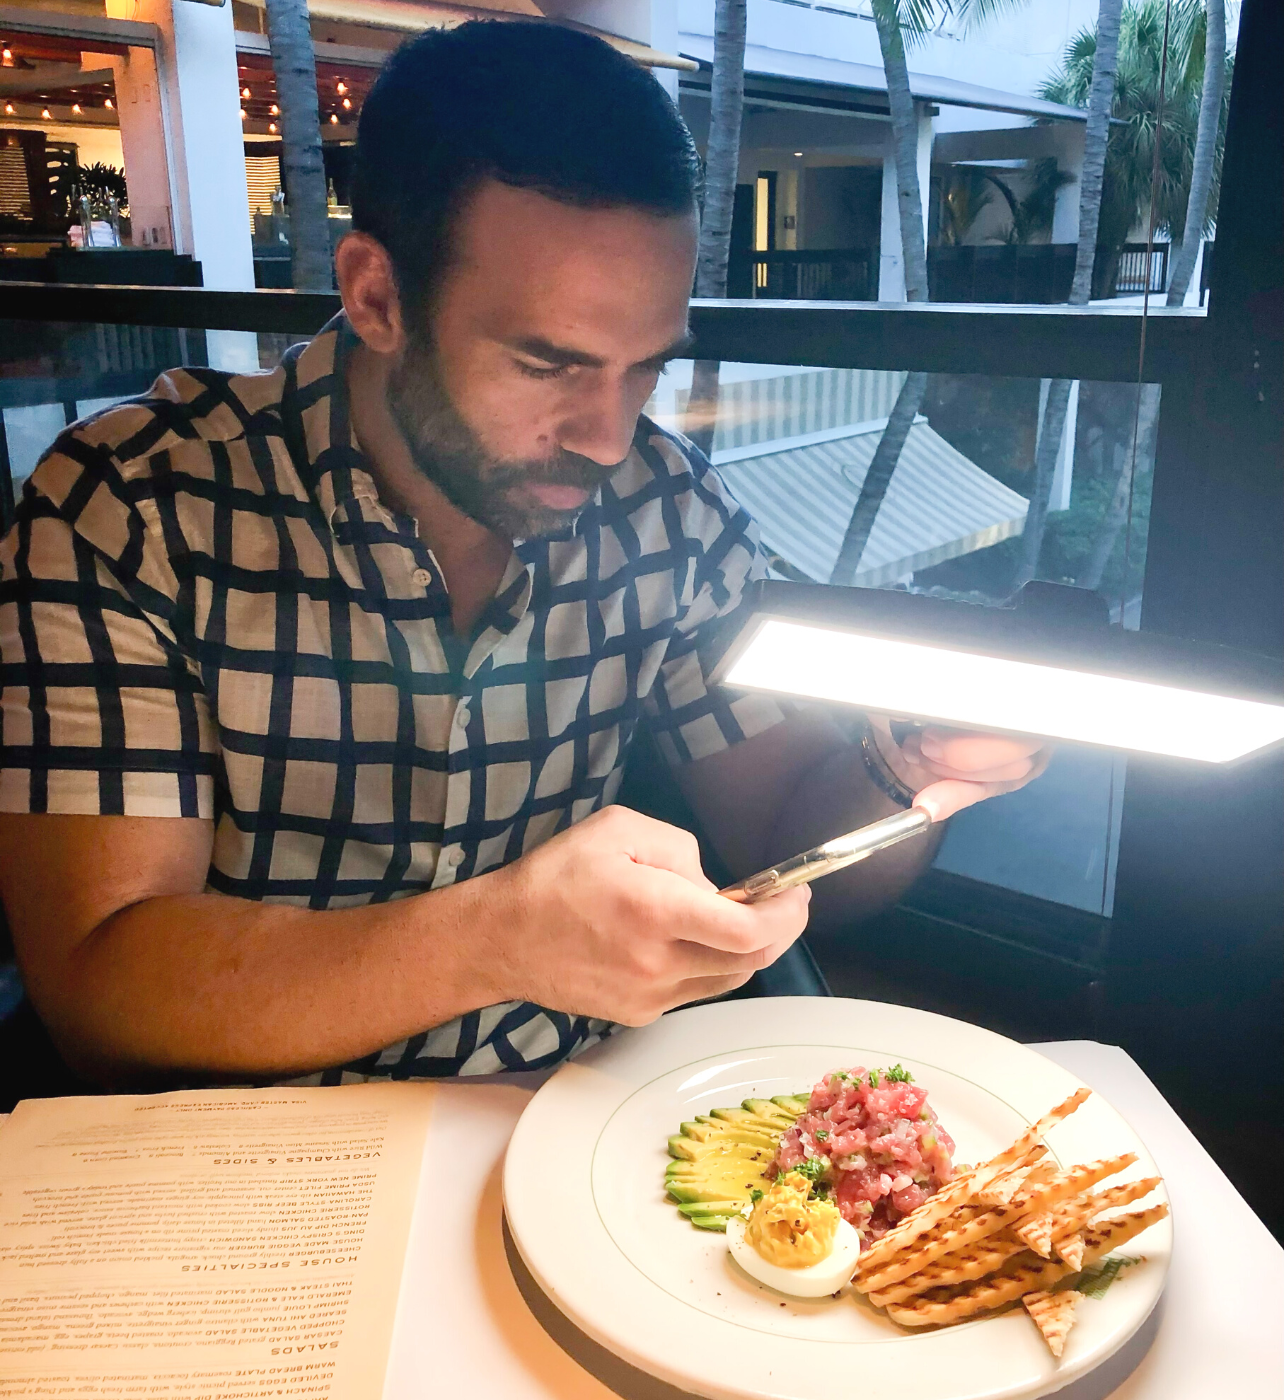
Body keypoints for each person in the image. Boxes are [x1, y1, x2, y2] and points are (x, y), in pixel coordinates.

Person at [0, 23, 1047, 1087]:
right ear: (378, 297)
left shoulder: (666, 510)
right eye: (549, 363)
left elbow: (784, 821)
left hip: (568, 1127)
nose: (607, 436)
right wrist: (492, 937)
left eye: (645, 369)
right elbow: (98, 981)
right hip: (246, 1165)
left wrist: (902, 770)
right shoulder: (134, 505)